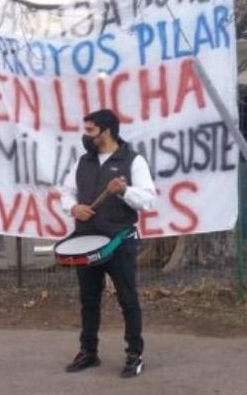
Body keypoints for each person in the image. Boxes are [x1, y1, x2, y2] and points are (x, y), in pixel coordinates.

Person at [58, 109, 156, 378]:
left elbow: (148, 199)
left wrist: (124, 191)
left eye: (90, 130)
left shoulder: (132, 161)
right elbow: (65, 193)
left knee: (128, 298)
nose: (85, 135)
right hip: (86, 242)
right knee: (88, 299)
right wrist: (74, 207)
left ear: (107, 131)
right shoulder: (83, 162)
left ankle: (134, 354)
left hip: (119, 242)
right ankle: (88, 352)